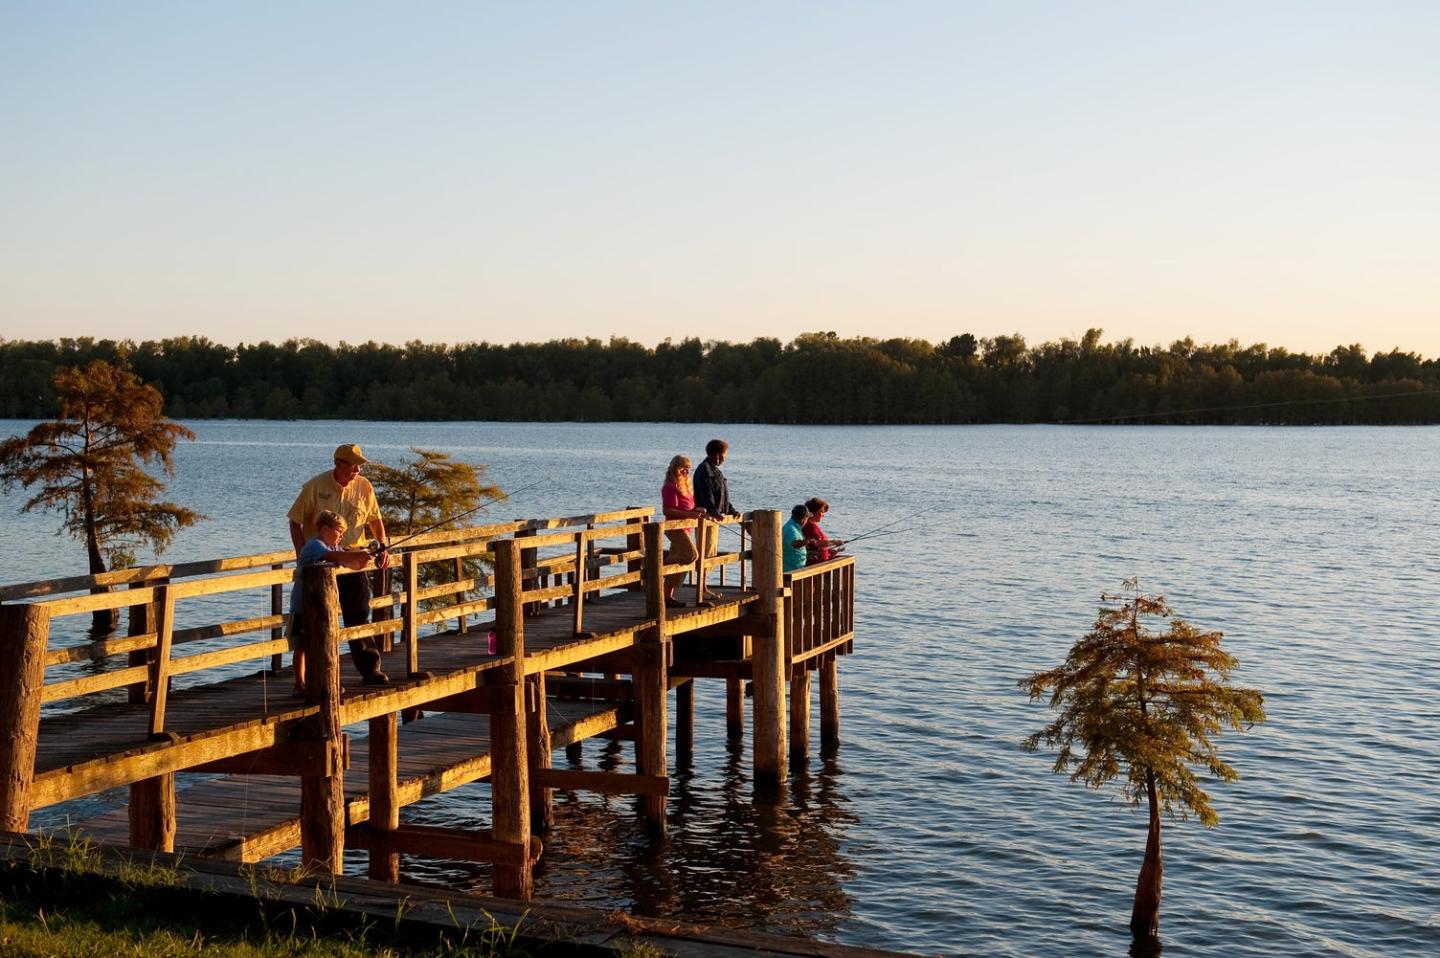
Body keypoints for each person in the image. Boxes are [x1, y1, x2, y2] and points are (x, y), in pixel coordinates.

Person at [287, 443, 391, 684]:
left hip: (354, 560)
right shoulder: (316, 486)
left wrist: (382, 546)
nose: (356, 470)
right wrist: (302, 554)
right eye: (353, 466)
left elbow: (375, 519)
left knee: (359, 613)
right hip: (322, 566)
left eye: (359, 466)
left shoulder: (364, 486)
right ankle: (316, 679)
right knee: (319, 619)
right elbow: (295, 520)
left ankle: (370, 668)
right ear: (338, 464)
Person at [287, 510, 375, 695]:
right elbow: (338, 558)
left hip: (322, 606)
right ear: (325, 529)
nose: (341, 536)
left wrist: (364, 559)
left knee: (322, 642)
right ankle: (300, 683)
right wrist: (357, 555)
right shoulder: (314, 546)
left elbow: (351, 563)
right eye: (339, 532)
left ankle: (321, 681)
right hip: (303, 604)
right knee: (302, 645)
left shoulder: (335, 547)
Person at [661, 454, 706, 608]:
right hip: (674, 527)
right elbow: (667, 510)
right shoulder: (670, 486)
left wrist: (696, 510)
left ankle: (667, 596)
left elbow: (686, 507)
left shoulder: (686, 486)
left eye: (688, 469)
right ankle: (658, 568)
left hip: (686, 527)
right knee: (691, 555)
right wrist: (688, 514)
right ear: (676, 468)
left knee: (680, 560)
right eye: (684, 469)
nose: (687, 472)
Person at [693, 437, 741, 569]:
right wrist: (715, 513)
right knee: (705, 553)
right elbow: (705, 496)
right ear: (718, 455)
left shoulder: (716, 470)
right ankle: (701, 587)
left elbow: (722, 495)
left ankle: (704, 585)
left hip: (713, 518)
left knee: (711, 553)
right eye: (725, 454)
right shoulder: (704, 470)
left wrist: (732, 510)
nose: (726, 457)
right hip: (706, 518)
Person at [802, 497, 846, 565]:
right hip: (815, 565)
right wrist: (835, 542)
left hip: (820, 562)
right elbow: (817, 543)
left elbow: (816, 547)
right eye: (821, 512)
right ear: (813, 512)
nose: (823, 515)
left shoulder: (811, 525)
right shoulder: (810, 526)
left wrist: (829, 552)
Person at [781, 504, 811, 574]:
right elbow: (794, 544)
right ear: (803, 519)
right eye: (807, 518)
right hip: (790, 571)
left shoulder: (793, 527)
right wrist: (805, 542)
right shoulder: (791, 530)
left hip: (795, 569)